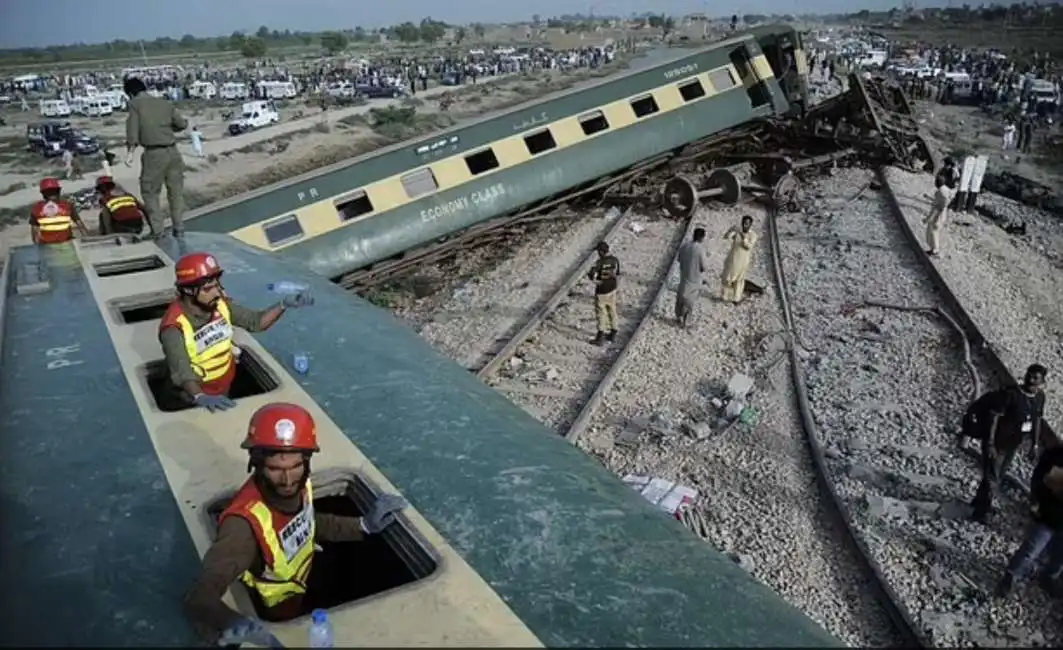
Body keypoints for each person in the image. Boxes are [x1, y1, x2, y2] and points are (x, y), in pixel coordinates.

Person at [183, 403, 409, 645]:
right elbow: (200, 597)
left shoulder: (300, 486)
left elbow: (307, 522)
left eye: (295, 467)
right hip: (279, 609)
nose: (288, 479)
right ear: (256, 464)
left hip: (303, 583)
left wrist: (363, 525)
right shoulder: (243, 524)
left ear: (306, 461)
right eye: (275, 469)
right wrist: (237, 624)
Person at [158, 252, 313, 413]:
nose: (217, 293)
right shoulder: (173, 327)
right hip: (190, 400)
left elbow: (256, 322)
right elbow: (182, 371)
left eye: (216, 285)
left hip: (222, 389)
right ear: (189, 291)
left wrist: (283, 305)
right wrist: (199, 396)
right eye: (208, 289)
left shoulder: (220, 305)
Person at [970, 364, 1051, 522]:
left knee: (996, 475)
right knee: (993, 476)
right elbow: (994, 417)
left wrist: (1034, 445)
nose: (1030, 379)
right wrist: (990, 443)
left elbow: (1037, 420)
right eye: (1029, 374)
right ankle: (981, 512)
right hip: (997, 441)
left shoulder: (1039, 397)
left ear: (1042, 382)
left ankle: (978, 502)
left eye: (1035, 378)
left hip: (1013, 444)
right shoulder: (1011, 394)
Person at [995, 444, 1063, 598]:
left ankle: (1048, 577)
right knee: (1031, 549)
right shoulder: (1054, 455)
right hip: (1048, 514)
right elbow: (1038, 479)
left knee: (1060, 555)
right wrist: (1035, 502)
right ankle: (1010, 578)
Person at [124, 76, 189, 238]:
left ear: (130, 93)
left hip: (154, 154)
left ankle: (158, 231)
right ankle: (179, 228)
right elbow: (181, 124)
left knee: (150, 192)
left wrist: (130, 152)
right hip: (173, 152)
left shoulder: (135, 104)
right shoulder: (164, 103)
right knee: (176, 193)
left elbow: (133, 130)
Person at [29, 177, 88, 245]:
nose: (52, 194)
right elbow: (35, 233)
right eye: (49, 192)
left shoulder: (68, 206)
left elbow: (80, 225)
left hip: (66, 244)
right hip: (48, 246)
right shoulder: (36, 208)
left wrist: (87, 242)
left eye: (53, 191)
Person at [924, 157, 959, 257]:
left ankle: (935, 250)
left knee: (934, 231)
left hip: (938, 214)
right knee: (935, 231)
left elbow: (938, 207)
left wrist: (928, 218)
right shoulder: (946, 191)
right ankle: (934, 249)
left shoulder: (940, 192)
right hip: (943, 211)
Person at [587, 241, 620, 345]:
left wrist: (596, 282)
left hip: (602, 291)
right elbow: (618, 273)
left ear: (601, 252)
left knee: (601, 313)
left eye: (598, 251)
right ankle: (613, 332)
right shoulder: (615, 260)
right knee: (612, 309)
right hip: (613, 289)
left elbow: (591, 275)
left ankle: (600, 337)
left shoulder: (599, 263)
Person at [675, 227, 708, 329]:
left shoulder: (685, 246)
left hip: (684, 276)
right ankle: (686, 322)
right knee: (689, 300)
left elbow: (679, 259)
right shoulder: (700, 250)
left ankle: (678, 316)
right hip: (694, 279)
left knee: (680, 297)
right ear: (702, 238)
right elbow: (704, 267)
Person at [720, 215, 758, 304]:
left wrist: (741, 235)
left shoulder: (753, 235)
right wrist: (730, 230)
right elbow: (726, 237)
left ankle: (736, 298)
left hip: (742, 261)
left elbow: (748, 246)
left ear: (750, 225)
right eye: (744, 223)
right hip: (732, 258)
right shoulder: (737, 232)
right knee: (727, 277)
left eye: (747, 224)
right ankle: (724, 296)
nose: (745, 225)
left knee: (739, 280)